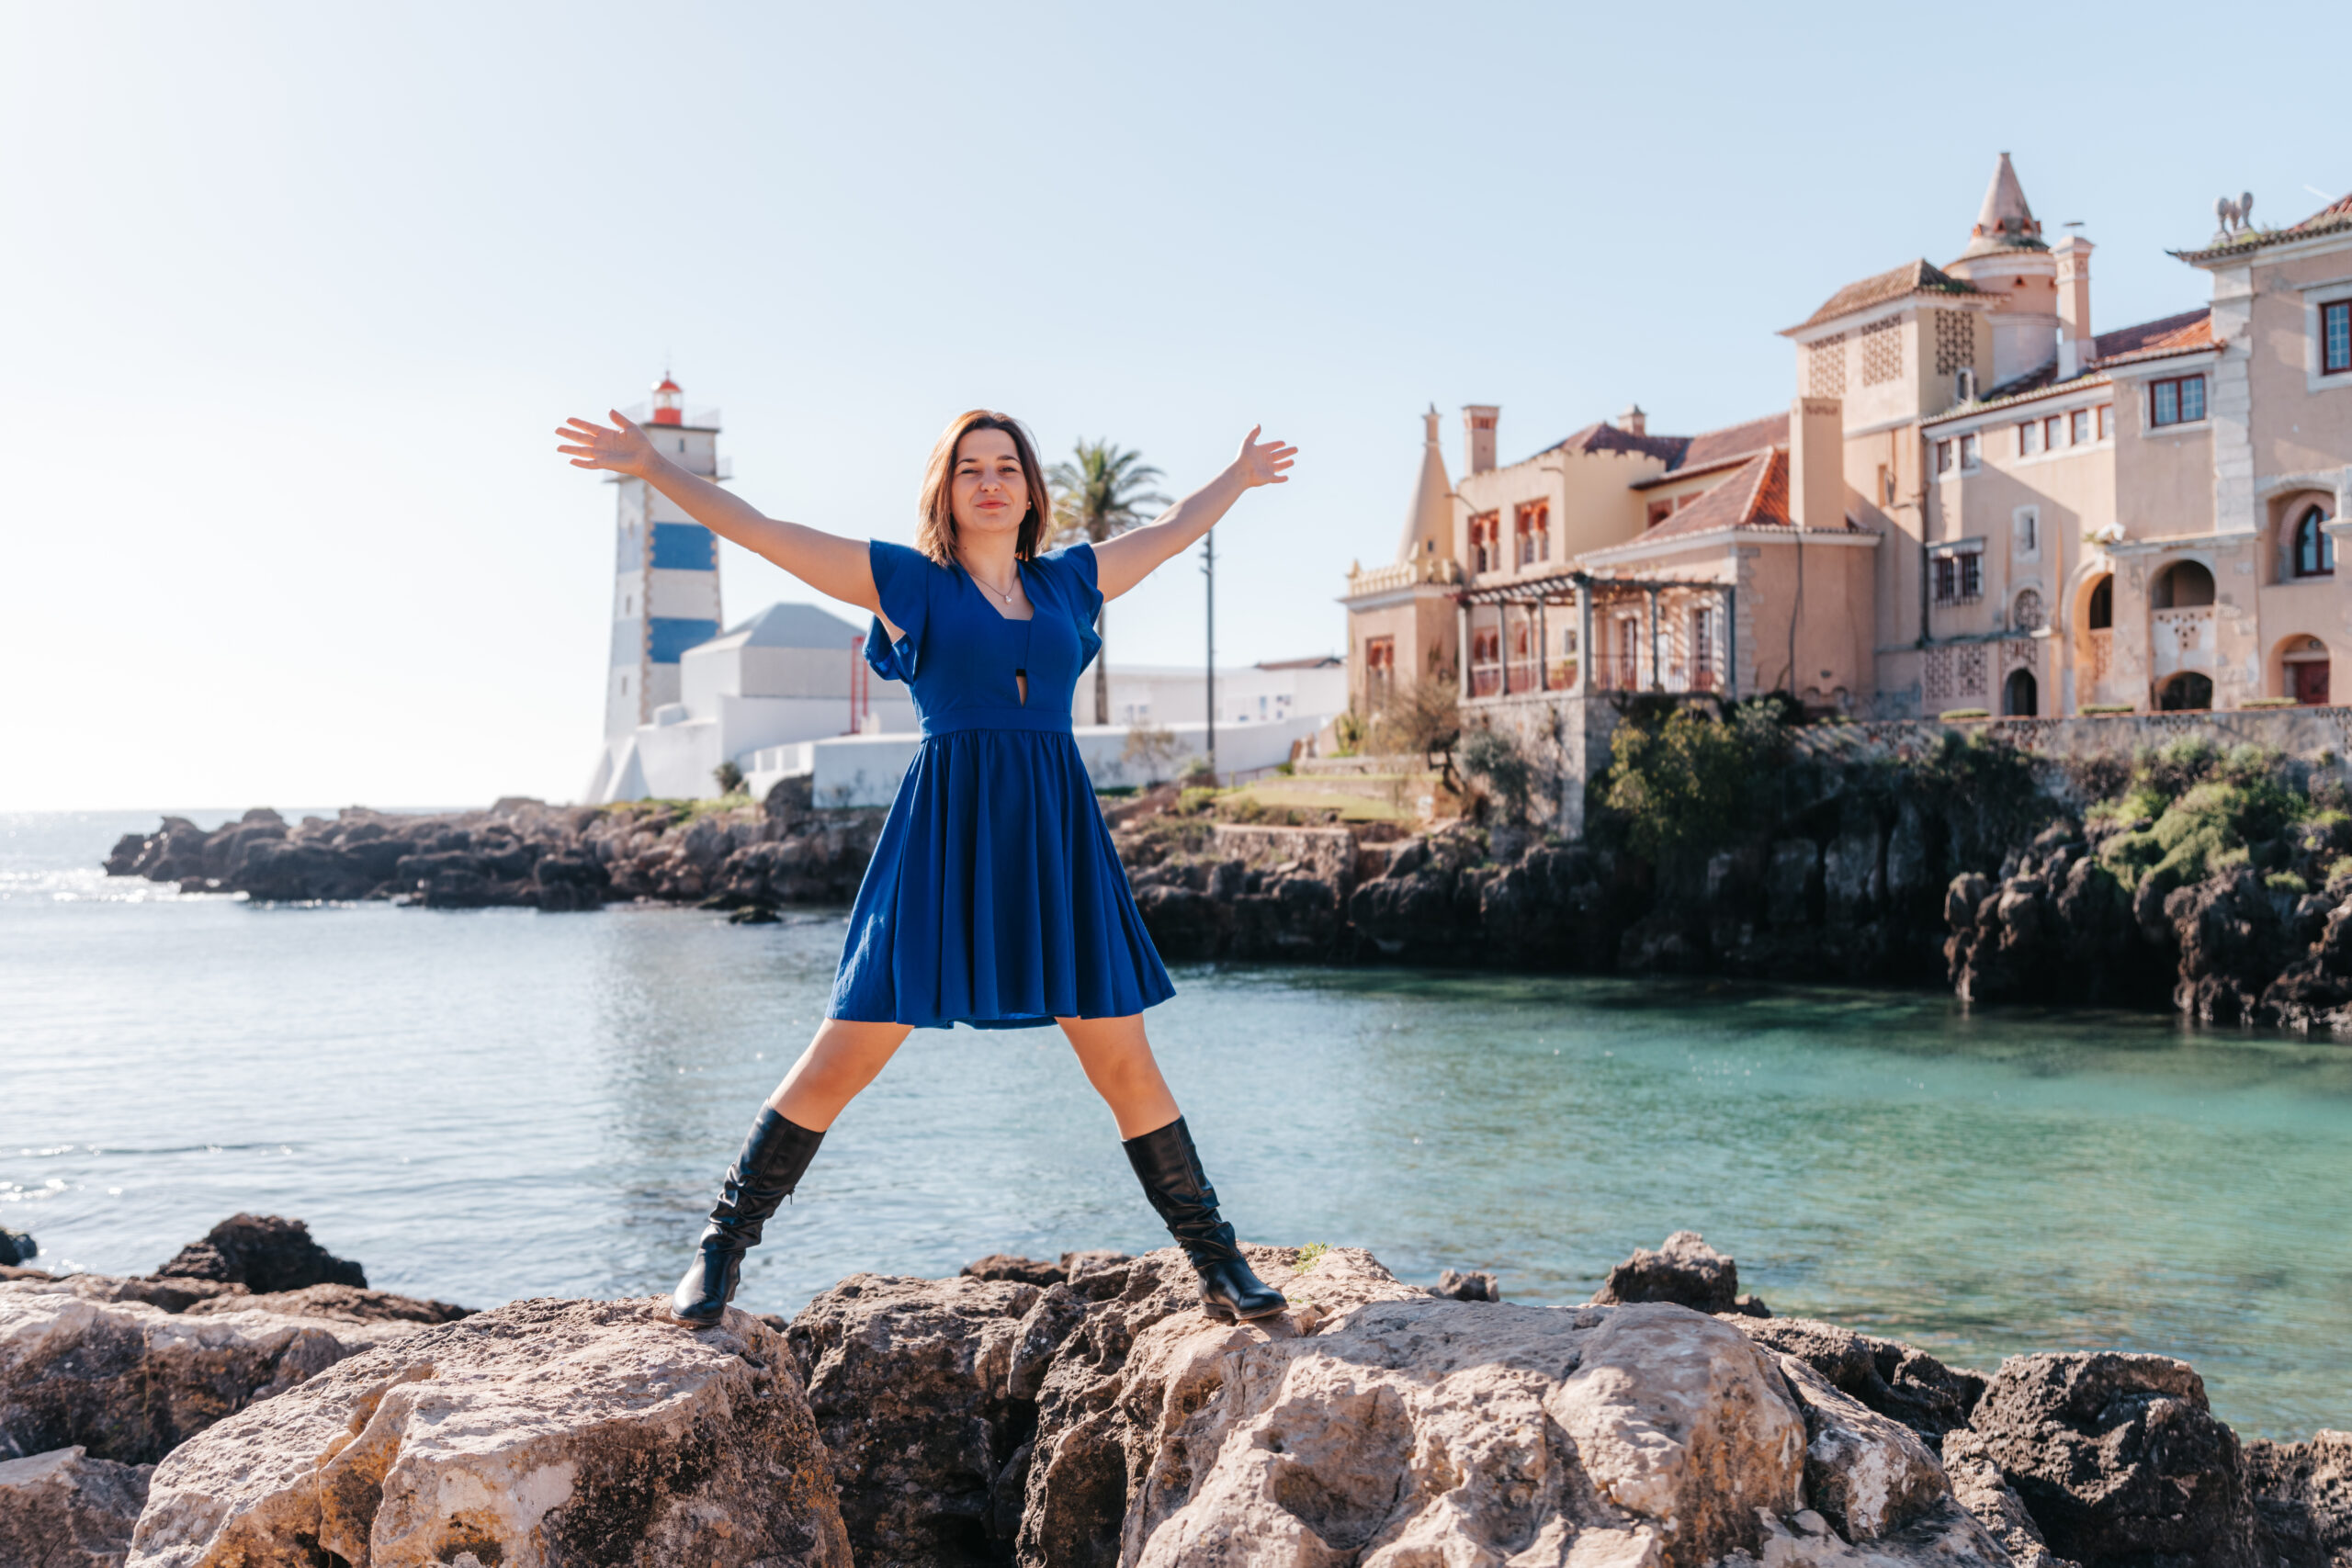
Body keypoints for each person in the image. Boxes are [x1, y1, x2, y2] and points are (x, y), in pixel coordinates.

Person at [554, 405, 1300, 1327]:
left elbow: (1171, 528)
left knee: (1123, 1061)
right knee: (844, 1052)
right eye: (969, 469)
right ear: (944, 491)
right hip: (946, 830)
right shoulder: (908, 582)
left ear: (1031, 491)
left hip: (1054, 829)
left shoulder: (1071, 582)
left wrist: (1235, 477)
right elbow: (761, 531)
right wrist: (654, 469)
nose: (990, 482)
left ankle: (1217, 1257)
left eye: (1007, 468)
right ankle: (721, 1244)